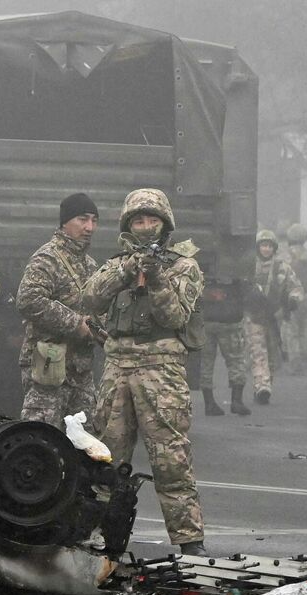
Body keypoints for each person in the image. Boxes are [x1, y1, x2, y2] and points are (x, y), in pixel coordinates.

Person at [81, 188, 207, 556]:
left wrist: (156, 279)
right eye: (139, 220)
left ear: (165, 224)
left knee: (171, 458)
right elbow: (90, 298)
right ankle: (101, 537)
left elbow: (175, 316)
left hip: (161, 368)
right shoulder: (117, 263)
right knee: (106, 458)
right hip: (117, 366)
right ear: (128, 225)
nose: (146, 226)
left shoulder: (183, 266)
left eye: (152, 220)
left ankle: (189, 541)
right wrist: (126, 271)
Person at [15, 192, 103, 430]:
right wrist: (76, 324)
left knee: (85, 441)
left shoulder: (90, 265)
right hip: (49, 365)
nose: (89, 227)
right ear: (65, 221)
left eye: (94, 220)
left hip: (80, 369)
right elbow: (29, 300)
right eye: (83, 219)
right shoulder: (47, 258)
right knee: (41, 437)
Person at [244, 230, 302, 405]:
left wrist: (293, 299)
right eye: (263, 245)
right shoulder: (249, 266)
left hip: (274, 318)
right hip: (253, 316)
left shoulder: (282, 267)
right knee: (257, 352)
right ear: (258, 247)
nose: (266, 249)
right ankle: (262, 386)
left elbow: (295, 287)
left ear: (274, 248)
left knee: (271, 356)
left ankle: (265, 385)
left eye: (269, 246)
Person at [196, 249, 251, 416]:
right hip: (230, 320)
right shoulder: (238, 262)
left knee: (206, 363)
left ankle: (209, 403)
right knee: (235, 360)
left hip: (206, 320)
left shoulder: (199, 263)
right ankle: (236, 401)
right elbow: (247, 290)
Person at [281, 223, 307, 369]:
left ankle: (295, 361)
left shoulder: (287, 255)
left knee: (291, 329)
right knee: (305, 328)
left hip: (292, 297)